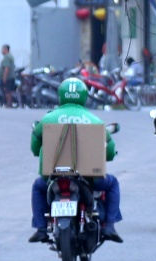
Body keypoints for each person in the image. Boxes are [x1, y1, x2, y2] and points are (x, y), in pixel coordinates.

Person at [29, 76, 121, 244]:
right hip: (89, 179)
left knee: (37, 187)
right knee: (112, 183)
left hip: (52, 177)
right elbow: (108, 152)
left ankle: (41, 229)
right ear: (84, 96)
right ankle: (110, 226)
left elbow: (35, 148)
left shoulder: (48, 119)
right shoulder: (94, 121)